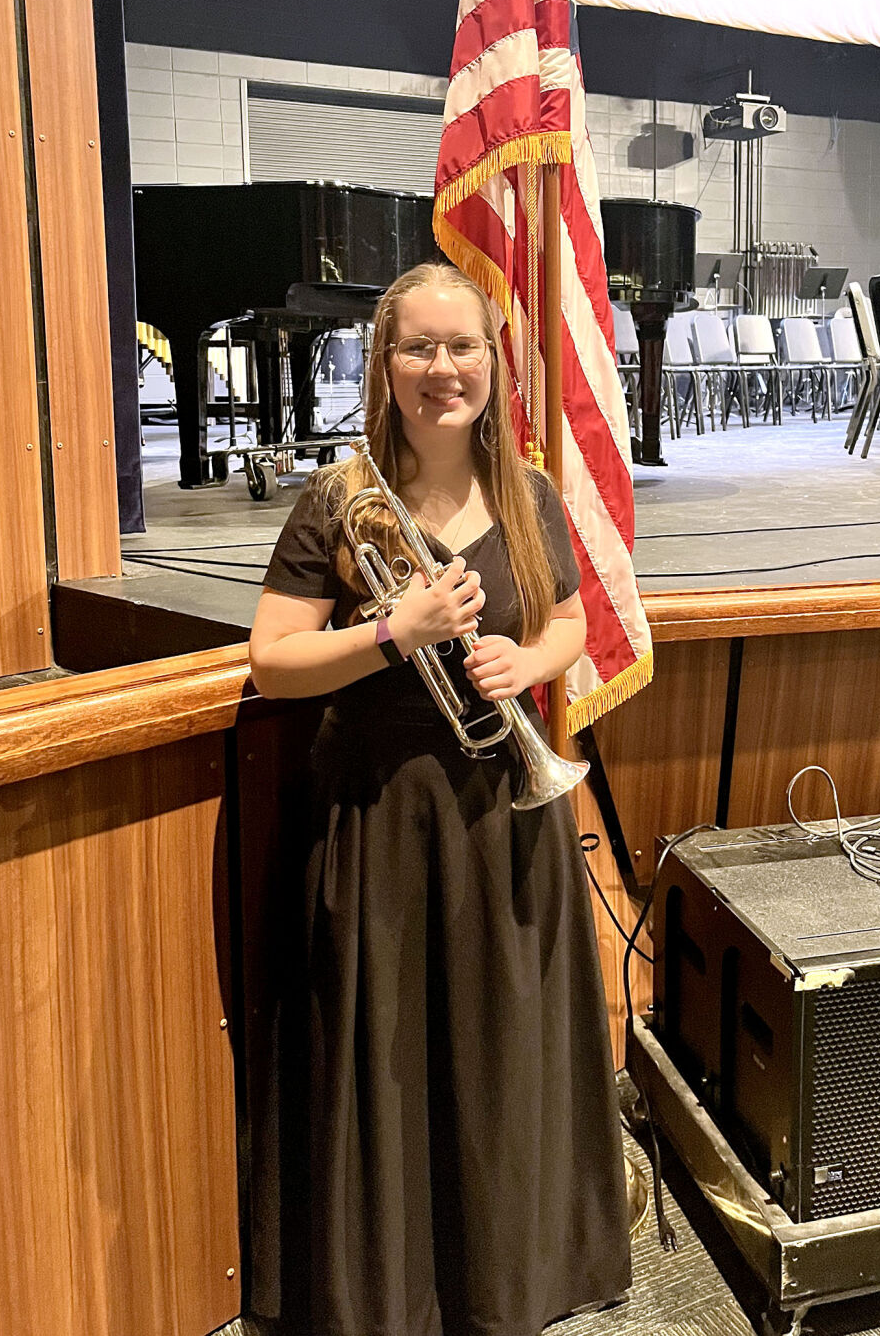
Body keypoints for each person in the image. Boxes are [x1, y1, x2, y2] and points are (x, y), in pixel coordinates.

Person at [248, 261, 631, 1336]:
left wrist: (525, 659)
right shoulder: (339, 497)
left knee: (499, 1054)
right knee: (393, 1056)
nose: (441, 369)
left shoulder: (528, 491)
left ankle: (509, 1275)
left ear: (491, 360)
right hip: (381, 817)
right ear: (383, 363)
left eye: (461, 346)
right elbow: (274, 661)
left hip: (505, 815)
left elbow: (569, 626)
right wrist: (390, 634)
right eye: (417, 347)